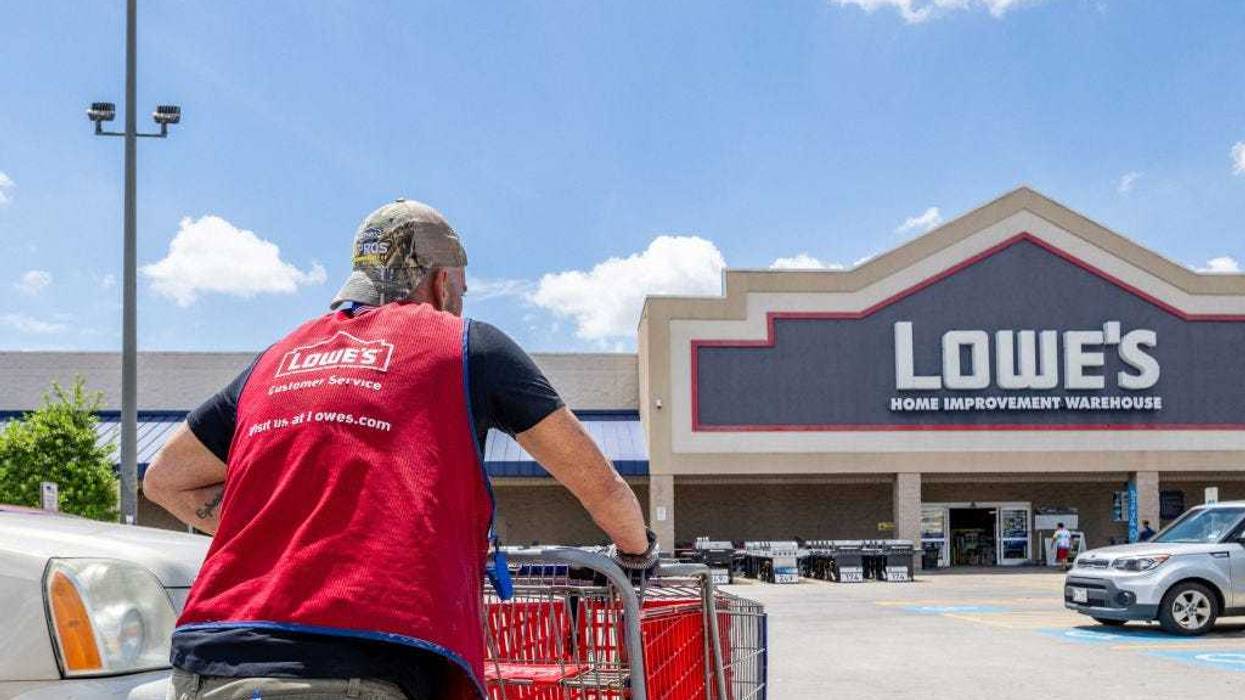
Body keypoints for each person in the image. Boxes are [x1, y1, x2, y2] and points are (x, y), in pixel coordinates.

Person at [143, 198, 657, 700]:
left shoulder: (275, 360)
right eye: (461, 290)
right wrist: (638, 552)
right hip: (361, 656)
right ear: (439, 282)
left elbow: (164, 479)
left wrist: (289, 531)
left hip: (210, 652)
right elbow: (600, 484)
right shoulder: (468, 346)